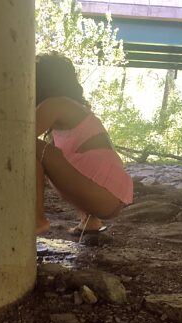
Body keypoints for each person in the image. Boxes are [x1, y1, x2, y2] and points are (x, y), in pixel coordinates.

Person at [35, 53, 133, 235]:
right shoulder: (71, 108)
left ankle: (36, 219)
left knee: (31, 147)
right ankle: (89, 220)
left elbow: (18, 137)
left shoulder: (56, 105)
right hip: (109, 196)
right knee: (53, 156)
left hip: (102, 194)